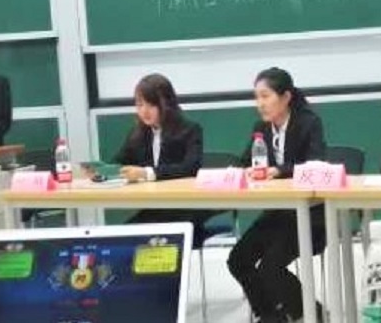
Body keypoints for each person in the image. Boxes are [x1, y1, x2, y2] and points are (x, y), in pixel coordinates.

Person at [227, 67, 326, 323]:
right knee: (238, 260)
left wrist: (279, 170)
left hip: (310, 216)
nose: (260, 104)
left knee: (269, 268)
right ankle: (271, 315)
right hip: (278, 214)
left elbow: (314, 163)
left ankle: (312, 313)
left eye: (265, 96)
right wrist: (242, 171)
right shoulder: (261, 127)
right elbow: (244, 162)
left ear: (285, 97)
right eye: (256, 97)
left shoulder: (308, 123)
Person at [109, 73, 211, 232]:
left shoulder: (190, 130)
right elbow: (119, 162)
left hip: (184, 211)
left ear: (166, 105)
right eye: (139, 105)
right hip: (154, 210)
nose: (144, 111)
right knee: (122, 236)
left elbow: (190, 168)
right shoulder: (137, 134)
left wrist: (146, 173)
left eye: (151, 105)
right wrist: (101, 171)